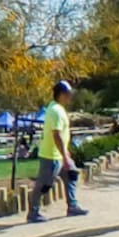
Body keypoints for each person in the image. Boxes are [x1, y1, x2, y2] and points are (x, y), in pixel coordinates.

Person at [27, 81, 89, 223]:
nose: (70, 97)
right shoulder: (55, 111)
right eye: (68, 94)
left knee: (71, 176)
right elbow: (56, 134)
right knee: (44, 185)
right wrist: (64, 156)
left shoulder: (57, 108)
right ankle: (33, 212)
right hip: (51, 156)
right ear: (61, 94)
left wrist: (65, 154)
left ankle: (72, 205)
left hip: (59, 155)